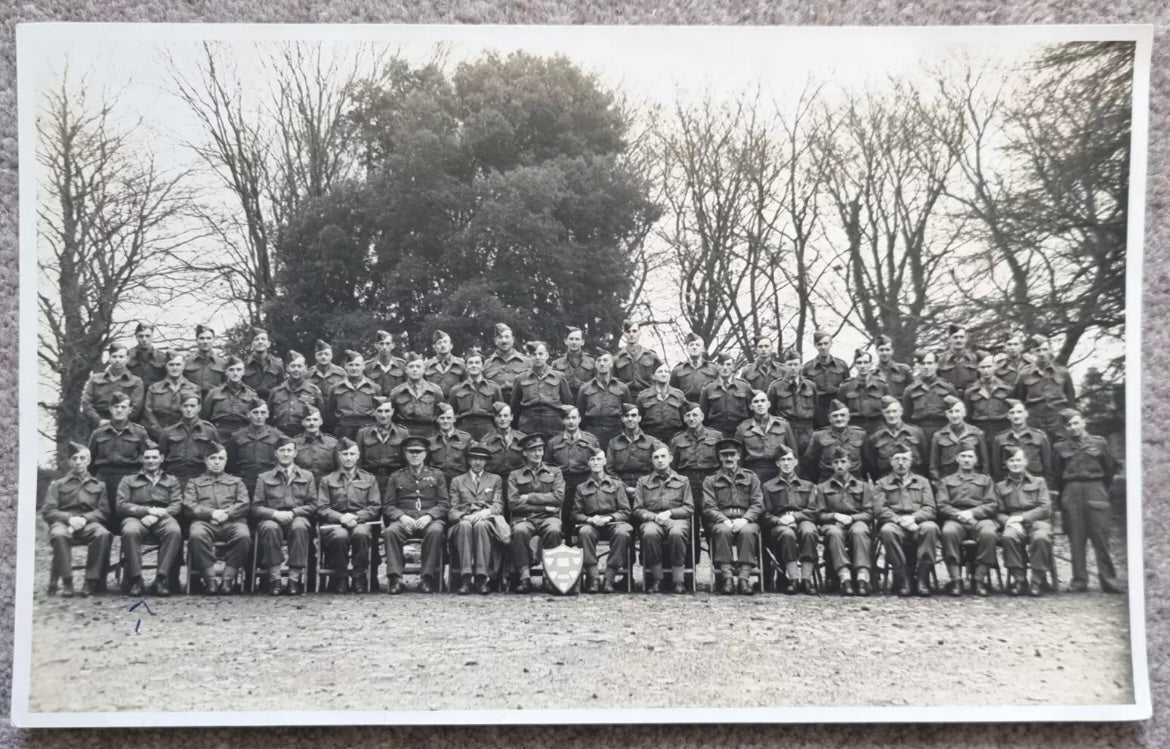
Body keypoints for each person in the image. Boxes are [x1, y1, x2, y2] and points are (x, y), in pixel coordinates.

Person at [1053, 409, 1125, 594]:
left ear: (1084, 422)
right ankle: (1079, 581)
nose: (1073, 427)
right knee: (1076, 539)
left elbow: (1108, 471)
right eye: (1069, 425)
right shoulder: (1060, 448)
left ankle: (1108, 580)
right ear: (1065, 428)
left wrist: (1100, 490)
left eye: (1076, 423)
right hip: (1071, 491)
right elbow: (1057, 475)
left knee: (1101, 538)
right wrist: (1067, 495)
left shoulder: (1099, 443)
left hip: (1096, 489)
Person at [382, 436, 450, 594]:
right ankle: (395, 579)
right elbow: (388, 505)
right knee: (390, 532)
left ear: (425, 454)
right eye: (411, 452)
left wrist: (430, 516)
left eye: (418, 452)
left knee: (435, 531)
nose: (414, 455)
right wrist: (401, 517)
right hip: (405, 519)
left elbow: (444, 504)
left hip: (429, 519)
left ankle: (427, 578)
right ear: (405, 454)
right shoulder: (396, 476)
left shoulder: (437, 475)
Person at [43, 442, 111, 597]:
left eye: (82, 458)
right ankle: (67, 581)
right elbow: (48, 510)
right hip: (63, 523)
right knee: (59, 535)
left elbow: (103, 511)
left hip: (89, 523)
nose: (78, 461)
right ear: (69, 462)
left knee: (103, 534)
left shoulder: (99, 485)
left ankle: (90, 581)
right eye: (75, 458)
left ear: (88, 461)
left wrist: (84, 519)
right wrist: (69, 518)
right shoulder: (58, 484)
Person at [182, 443, 251, 595]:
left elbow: (244, 503)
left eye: (221, 458)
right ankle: (210, 579)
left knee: (244, 536)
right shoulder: (194, 482)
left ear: (226, 461)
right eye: (213, 458)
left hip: (232, 522)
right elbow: (189, 505)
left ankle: (228, 579)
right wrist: (211, 513)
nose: (217, 462)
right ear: (206, 460)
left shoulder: (237, 482)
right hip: (204, 522)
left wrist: (227, 514)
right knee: (196, 535)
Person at [116, 441, 183, 597]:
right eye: (147, 457)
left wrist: (158, 514)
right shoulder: (128, 479)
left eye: (154, 457)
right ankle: (136, 580)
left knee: (174, 531)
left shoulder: (171, 480)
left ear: (161, 458)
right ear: (142, 459)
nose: (151, 461)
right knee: (129, 531)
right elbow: (121, 504)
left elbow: (177, 504)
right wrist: (146, 511)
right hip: (136, 517)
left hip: (163, 517)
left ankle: (161, 579)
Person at [251, 435, 316, 596]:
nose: (286, 454)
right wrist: (275, 514)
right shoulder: (264, 478)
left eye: (289, 450)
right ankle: (275, 579)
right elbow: (256, 507)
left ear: (295, 453)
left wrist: (294, 512)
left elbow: (314, 505)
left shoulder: (307, 476)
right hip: (272, 518)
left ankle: (294, 579)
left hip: (297, 517)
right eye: (282, 451)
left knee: (300, 527)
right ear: (275, 453)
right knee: (270, 528)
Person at [316, 438, 382, 593]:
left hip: (360, 522)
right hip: (335, 523)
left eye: (352, 454)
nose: (348, 458)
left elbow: (375, 506)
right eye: (345, 454)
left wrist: (356, 517)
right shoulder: (327, 480)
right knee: (340, 536)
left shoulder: (369, 479)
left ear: (358, 455)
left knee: (361, 534)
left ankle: (359, 577)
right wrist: (341, 517)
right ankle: (341, 577)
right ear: (339, 456)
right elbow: (322, 507)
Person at [874, 443, 938, 597]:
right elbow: (879, 509)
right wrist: (899, 520)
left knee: (931, 528)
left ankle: (923, 578)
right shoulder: (881, 483)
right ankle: (904, 578)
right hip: (895, 524)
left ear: (911, 461)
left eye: (905, 459)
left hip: (918, 523)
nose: (901, 463)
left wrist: (913, 518)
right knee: (887, 530)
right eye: (897, 459)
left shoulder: (923, 482)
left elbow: (930, 508)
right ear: (890, 461)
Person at [935, 439, 998, 597]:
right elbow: (942, 505)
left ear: (975, 459)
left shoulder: (985, 480)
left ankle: (979, 579)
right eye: (963, 456)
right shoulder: (946, 481)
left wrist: (972, 514)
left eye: (970, 456)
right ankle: (956, 580)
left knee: (989, 533)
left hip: (980, 518)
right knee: (948, 532)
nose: (966, 460)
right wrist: (959, 515)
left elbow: (991, 504)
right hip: (955, 518)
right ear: (957, 459)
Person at [702, 438, 764, 595]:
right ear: (719, 457)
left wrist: (745, 520)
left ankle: (744, 579)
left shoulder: (751, 477)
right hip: (721, 520)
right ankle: (727, 578)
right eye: (725, 455)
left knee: (749, 532)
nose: (729, 458)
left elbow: (758, 504)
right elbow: (709, 506)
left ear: (738, 456)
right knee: (722, 531)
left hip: (746, 519)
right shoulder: (710, 480)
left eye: (732, 454)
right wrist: (723, 520)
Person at [506, 433, 566, 593]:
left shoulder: (555, 472)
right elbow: (514, 504)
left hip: (549, 518)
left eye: (540, 450)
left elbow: (558, 498)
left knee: (554, 530)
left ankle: (549, 577)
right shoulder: (515, 475)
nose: (538, 454)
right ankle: (524, 578)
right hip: (525, 519)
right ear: (525, 453)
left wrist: (530, 497)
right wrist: (545, 507)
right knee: (519, 531)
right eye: (533, 450)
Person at [633, 444, 694, 594]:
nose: (660, 460)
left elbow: (689, 508)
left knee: (677, 533)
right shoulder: (643, 481)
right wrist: (655, 517)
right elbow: (638, 509)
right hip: (652, 521)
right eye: (656, 457)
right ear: (651, 461)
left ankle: (678, 581)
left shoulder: (683, 480)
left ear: (670, 458)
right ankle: (657, 579)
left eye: (663, 456)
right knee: (649, 533)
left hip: (677, 519)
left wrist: (670, 513)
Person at [761, 445, 821, 595]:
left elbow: (814, 510)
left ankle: (806, 579)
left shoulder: (808, 485)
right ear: (777, 463)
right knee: (787, 534)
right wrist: (779, 520)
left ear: (796, 462)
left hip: (803, 520)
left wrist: (795, 517)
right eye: (782, 460)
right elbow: (764, 514)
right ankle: (793, 578)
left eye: (789, 459)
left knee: (809, 531)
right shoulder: (768, 486)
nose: (786, 463)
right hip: (780, 524)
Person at [447, 443, 506, 595]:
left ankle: (482, 578)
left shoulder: (495, 479)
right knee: (465, 526)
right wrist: (464, 516)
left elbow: (499, 505)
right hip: (464, 520)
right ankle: (465, 578)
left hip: (486, 520)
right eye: (474, 459)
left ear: (486, 462)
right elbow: (452, 509)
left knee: (481, 525)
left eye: (481, 459)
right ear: (468, 461)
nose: (478, 462)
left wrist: (486, 512)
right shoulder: (457, 481)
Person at [996, 446, 1055, 597]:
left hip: (1037, 521)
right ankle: (1019, 580)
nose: (1015, 464)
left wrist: (1022, 517)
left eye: (1018, 460)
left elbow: (1045, 507)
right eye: (1011, 460)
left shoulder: (1039, 481)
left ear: (1026, 462)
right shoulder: (1000, 486)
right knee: (1008, 536)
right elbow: (998, 512)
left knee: (1041, 537)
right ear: (1006, 464)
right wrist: (1009, 521)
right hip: (1013, 523)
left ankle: (1036, 581)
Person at [572, 449, 634, 593]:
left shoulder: (617, 485)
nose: (595, 462)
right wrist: (589, 519)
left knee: (623, 533)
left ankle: (609, 578)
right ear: (588, 463)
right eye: (592, 459)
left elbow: (626, 511)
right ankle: (593, 578)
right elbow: (575, 514)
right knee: (584, 532)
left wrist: (610, 518)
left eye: (599, 459)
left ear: (605, 462)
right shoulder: (581, 488)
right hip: (592, 525)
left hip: (613, 523)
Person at [817, 446, 875, 596]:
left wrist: (852, 518)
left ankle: (862, 578)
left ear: (850, 464)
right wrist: (835, 516)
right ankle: (845, 578)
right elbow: (820, 515)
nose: (840, 465)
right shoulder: (822, 488)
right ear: (831, 465)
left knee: (860, 531)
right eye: (835, 462)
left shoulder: (863, 486)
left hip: (856, 521)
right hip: (833, 523)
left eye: (843, 461)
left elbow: (868, 513)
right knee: (834, 533)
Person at [545, 406, 601, 533]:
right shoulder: (553, 442)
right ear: (562, 421)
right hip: (562, 482)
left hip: (585, 481)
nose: (571, 422)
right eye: (567, 418)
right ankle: (566, 541)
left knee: (585, 514)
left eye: (574, 418)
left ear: (580, 419)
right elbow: (548, 468)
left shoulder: (591, 440)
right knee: (564, 515)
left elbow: (598, 463)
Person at [1015, 334, 1077, 444]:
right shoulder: (1024, 373)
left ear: (1051, 350)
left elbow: (1071, 398)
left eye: (1045, 349)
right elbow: (1019, 399)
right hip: (1035, 419)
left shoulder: (1062, 372)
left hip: (1058, 418)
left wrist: (1071, 419)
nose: (1042, 353)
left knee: (1061, 447)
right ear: (1032, 352)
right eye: (1038, 350)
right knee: (1038, 446)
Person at [88, 391, 150, 502]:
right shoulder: (98, 433)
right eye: (116, 406)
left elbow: (147, 459)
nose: (119, 410)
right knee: (104, 514)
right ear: (111, 409)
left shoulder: (139, 433)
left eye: (123, 407)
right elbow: (90, 461)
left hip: (130, 478)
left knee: (127, 513)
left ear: (130, 410)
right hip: (104, 478)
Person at [226, 398, 286, 498]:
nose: (259, 416)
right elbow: (229, 464)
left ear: (267, 414)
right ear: (248, 414)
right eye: (255, 412)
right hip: (244, 483)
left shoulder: (277, 435)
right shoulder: (237, 436)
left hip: (270, 483)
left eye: (263, 413)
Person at [735, 389, 798, 486]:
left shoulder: (783, 425)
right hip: (754, 473)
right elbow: (739, 459)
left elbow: (793, 452)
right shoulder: (742, 428)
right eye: (756, 402)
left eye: (763, 401)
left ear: (769, 404)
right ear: (751, 406)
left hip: (778, 471)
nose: (760, 404)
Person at [669, 401, 722, 515]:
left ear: (702, 417)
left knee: (711, 514)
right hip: (688, 481)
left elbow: (722, 461)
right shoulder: (677, 440)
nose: (691, 418)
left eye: (695, 415)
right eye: (688, 415)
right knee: (691, 517)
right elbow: (673, 466)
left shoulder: (716, 436)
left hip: (710, 480)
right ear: (684, 418)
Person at [511, 340, 573, 436]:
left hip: (553, 424)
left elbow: (568, 402)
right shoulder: (521, 378)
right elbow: (515, 407)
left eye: (541, 354)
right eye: (534, 354)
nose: (537, 357)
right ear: (529, 356)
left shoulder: (559, 376)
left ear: (546, 356)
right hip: (528, 424)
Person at [576, 349, 633, 449]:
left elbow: (628, 412)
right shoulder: (585, 388)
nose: (602, 364)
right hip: (593, 431)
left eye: (605, 360)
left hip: (616, 431)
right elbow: (580, 413)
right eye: (599, 361)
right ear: (595, 364)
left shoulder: (622, 387)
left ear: (611, 364)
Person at [81, 342, 145, 428]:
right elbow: (86, 403)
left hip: (125, 427)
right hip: (97, 425)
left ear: (127, 359)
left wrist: (118, 422)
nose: (117, 360)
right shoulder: (95, 379)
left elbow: (135, 408)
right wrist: (98, 420)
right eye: (114, 356)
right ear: (109, 358)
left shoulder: (136, 381)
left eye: (121, 357)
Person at [902, 349, 958, 447]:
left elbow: (957, 412)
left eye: (929, 363)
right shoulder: (910, 390)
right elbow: (907, 417)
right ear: (919, 366)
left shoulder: (948, 387)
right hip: (919, 432)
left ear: (936, 365)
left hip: (943, 431)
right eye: (923, 363)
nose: (926, 367)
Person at [159, 393, 219, 485]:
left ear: (199, 408)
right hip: (174, 478)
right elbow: (161, 458)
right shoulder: (168, 431)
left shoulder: (209, 430)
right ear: (180, 407)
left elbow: (217, 455)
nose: (189, 409)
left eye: (192, 406)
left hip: (201, 478)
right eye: (185, 406)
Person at [802, 399, 867, 482]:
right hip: (827, 482)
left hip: (855, 481)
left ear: (848, 417)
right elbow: (811, 463)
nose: (839, 419)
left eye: (842, 415)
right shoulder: (818, 436)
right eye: (835, 416)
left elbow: (868, 462)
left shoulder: (860, 434)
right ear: (829, 419)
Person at [356, 397, 410, 494]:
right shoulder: (363, 433)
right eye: (380, 411)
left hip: (395, 479)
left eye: (387, 411)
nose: (383, 415)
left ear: (392, 411)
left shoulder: (402, 433)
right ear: (373, 412)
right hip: (370, 479)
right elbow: (358, 461)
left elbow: (407, 461)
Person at [928, 396, 989, 482]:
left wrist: (981, 482)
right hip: (948, 482)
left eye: (957, 411)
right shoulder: (938, 436)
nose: (954, 415)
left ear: (964, 413)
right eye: (950, 412)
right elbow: (933, 467)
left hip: (973, 481)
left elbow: (985, 464)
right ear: (946, 414)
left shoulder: (977, 433)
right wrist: (940, 483)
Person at [605, 404, 666, 490]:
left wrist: (641, 487)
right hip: (619, 488)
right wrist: (624, 488)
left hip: (647, 487)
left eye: (633, 415)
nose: (630, 419)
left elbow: (660, 466)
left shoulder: (652, 441)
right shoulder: (613, 442)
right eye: (626, 416)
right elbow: (609, 470)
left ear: (639, 418)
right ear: (622, 419)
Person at [768, 348, 817, 454]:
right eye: (790, 365)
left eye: (796, 364)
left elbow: (816, 409)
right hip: (786, 430)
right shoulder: (776, 387)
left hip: (807, 431)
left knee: (807, 461)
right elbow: (770, 413)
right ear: (784, 366)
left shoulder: (810, 386)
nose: (793, 368)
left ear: (801, 366)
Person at [447, 346, 502, 440]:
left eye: (477, 363)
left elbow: (500, 412)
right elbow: (451, 414)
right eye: (470, 363)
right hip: (463, 428)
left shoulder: (494, 388)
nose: (474, 365)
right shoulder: (456, 390)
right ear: (466, 367)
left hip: (488, 429)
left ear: (483, 366)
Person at [142, 352, 200, 440]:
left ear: (184, 366)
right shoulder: (154, 388)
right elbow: (148, 414)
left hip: (184, 437)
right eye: (171, 364)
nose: (175, 368)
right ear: (166, 366)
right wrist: (161, 434)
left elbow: (196, 414)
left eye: (178, 364)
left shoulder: (194, 388)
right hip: (156, 436)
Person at [991, 399, 1052, 482]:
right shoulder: (1000, 439)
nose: (1016, 416)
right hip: (1010, 483)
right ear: (1007, 416)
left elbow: (1047, 466)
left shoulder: (1040, 437)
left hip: (1034, 482)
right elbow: (997, 468)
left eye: (1019, 412)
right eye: (1012, 413)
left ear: (1026, 414)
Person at [866, 396, 927, 479]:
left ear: (901, 411)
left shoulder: (915, 433)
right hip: (886, 483)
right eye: (887, 412)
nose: (891, 415)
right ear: (883, 413)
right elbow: (872, 467)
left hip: (913, 482)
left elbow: (925, 461)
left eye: (894, 411)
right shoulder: (876, 437)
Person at [267, 350, 324, 437]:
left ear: (305, 368)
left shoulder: (314, 391)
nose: (296, 369)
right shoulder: (276, 392)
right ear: (287, 368)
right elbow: (269, 418)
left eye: (299, 366)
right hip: (279, 436)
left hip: (304, 438)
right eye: (293, 366)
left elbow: (322, 416)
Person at [326, 350, 381, 440]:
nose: (354, 368)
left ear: (363, 366)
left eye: (357, 365)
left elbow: (378, 410)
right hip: (344, 428)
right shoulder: (335, 388)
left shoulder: (374, 387)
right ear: (345, 366)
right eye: (351, 365)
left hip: (367, 427)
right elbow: (330, 411)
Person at [965, 353, 1013, 455]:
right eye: (982, 367)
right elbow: (968, 415)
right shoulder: (970, 391)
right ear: (978, 369)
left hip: (1002, 430)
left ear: (995, 367)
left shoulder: (1006, 389)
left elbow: (1012, 411)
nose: (985, 370)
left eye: (989, 367)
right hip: (980, 430)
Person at [201, 356, 257, 444]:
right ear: (226, 372)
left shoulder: (251, 394)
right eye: (231, 370)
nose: (235, 373)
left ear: (244, 372)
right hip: (219, 434)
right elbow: (204, 417)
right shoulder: (214, 393)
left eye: (238, 370)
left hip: (243, 434)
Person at [389, 351, 445, 438]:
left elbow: (440, 414)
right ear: (406, 370)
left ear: (424, 370)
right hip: (405, 432)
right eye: (411, 366)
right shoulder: (396, 392)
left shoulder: (435, 391)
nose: (414, 369)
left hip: (429, 433)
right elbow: (392, 417)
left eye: (418, 366)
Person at [801, 329, 850, 428]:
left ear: (831, 344)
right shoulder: (807, 368)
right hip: (818, 409)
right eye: (819, 344)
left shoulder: (842, 365)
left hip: (839, 409)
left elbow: (848, 388)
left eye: (825, 343)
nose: (823, 347)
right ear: (815, 345)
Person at [700, 354, 753, 439]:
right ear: (717, 366)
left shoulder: (744, 386)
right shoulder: (708, 388)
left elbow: (751, 413)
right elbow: (703, 416)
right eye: (721, 364)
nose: (725, 368)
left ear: (733, 367)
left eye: (728, 364)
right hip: (716, 433)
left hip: (740, 432)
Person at [838, 348, 889, 435]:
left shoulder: (881, 386)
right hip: (854, 430)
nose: (862, 366)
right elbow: (839, 412)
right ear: (854, 365)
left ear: (871, 364)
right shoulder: (846, 387)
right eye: (859, 362)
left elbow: (889, 410)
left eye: (866, 362)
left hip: (877, 429)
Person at [636, 363, 687, 445]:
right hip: (651, 438)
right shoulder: (643, 396)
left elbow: (685, 420)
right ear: (653, 376)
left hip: (675, 438)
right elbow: (638, 421)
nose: (663, 374)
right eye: (660, 372)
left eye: (666, 372)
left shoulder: (678, 395)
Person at [483, 323, 531, 404]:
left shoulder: (528, 362)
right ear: (495, 341)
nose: (504, 341)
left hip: (520, 408)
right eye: (500, 337)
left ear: (513, 340)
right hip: (495, 409)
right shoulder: (486, 364)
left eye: (507, 337)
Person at [613, 320, 662, 396]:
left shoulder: (651, 356)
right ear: (624, 334)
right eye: (628, 331)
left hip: (648, 397)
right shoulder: (617, 359)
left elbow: (662, 378)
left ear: (640, 333)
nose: (631, 334)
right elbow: (613, 383)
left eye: (634, 331)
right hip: (625, 397)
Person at [481, 402, 527, 480]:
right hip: (495, 481)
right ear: (495, 418)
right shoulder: (487, 440)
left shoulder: (522, 438)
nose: (502, 419)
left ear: (511, 417)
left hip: (518, 481)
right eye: (499, 416)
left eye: (506, 416)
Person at [428, 402, 472, 483]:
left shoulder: (465, 438)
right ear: (437, 419)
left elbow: (470, 463)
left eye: (449, 418)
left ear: (454, 419)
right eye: (442, 418)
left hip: (461, 481)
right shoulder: (431, 441)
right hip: (437, 482)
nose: (445, 421)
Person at [293, 406, 339, 482]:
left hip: (326, 484)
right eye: (308, 420)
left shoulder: (333, 442)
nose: (312, 423)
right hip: (302, 484)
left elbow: (338, 468)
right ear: (303, 422)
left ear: (321, 422)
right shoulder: (294, 442)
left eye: (315, 419)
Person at [670, 332, 718, 402]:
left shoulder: (714, 369)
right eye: (691, 345)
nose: (694, 347)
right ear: (687, 348)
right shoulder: (677, 370)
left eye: (697, 345)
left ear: (703, 349)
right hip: (685, 408)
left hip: (708, 408)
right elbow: (673, 395)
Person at [551, 326, 596, 400]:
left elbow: (596, 385)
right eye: (571, 339)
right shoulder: (556, 362)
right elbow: (553, 388)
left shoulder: (592, 361)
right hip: (565, 404)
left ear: (582, 342)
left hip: (586, 401)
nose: (574, 342)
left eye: (577, 339)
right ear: (565, 341)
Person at [183, 324, 228, 396]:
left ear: (214, 339)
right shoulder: (186, 362)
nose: (205, 341)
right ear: (196, 340)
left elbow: (227, 387)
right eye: (202, 338)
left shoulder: (223, 364)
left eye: (208, 338)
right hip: (192, 403)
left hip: (214, 403)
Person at [242, 327, 284, 400]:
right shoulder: (244, 365)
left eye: (263, 339)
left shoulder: (277, 365)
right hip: (250, 407)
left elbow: (281, 390)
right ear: (252, 344)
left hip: (271, 407)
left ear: (268, 344)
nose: (260, 342)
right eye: (256, 339)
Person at [937, 323, 980, 393]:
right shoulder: (940, 360)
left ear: (966, 339)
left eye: (961, 337)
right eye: (955, 337)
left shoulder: (975, 358)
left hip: (971, 398)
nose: (958, 340)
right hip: (948, 399)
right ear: (949, 340)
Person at [424, 329, 467, 398]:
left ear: (451, 346)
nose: (443, 345)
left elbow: (467, 386)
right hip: (433, 404)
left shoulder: (461, 364)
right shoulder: (426, 366)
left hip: (456, 403)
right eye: (439, 343)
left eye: (445, 342)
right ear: (434, 347)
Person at [126, 322, 169, 386]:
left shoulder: (162, 357)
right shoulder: (127, 356)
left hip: (154, 394)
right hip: (134, 393)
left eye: (147, 336)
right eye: (140, 336)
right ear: (136, 337)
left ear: (152, 336)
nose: (144, 339)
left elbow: (168, 380)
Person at [364, 330, 406, 396]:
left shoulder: (402, 366)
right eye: (381, 343)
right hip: (375, 404)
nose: (384, 347)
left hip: (396, 404)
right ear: (376, 345)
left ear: (393, 345)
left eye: (388, 343)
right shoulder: (367, 367)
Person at [873, 334, 913, 398]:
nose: (884, 353)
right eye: (881, 350)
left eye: (887, 350)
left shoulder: (904, 370)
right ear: (877, 351)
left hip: (900, 406)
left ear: (892, 351)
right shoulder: (871, 374)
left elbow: (913, 394)